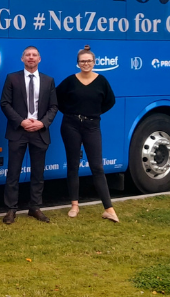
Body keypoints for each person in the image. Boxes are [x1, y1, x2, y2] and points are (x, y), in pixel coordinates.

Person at [55, 45, 119, 223]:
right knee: (73, 165)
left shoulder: (102, 81)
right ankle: (74, 205)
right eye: (82, 61)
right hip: (71, 125)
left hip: (92, 126)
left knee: (97, 166)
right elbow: (56, 98)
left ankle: (109, 209)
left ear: (94, 62)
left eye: (89, 61)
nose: (86, 64)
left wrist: (93, 113)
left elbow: (110, 101)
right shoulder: (70, 81)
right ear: (77, 63)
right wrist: (69, 112)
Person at [0, 46, 59, 224]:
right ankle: (11, 209)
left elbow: (53, 106)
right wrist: (21, 121)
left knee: (38, 173)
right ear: (22, 59)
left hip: (39, 132)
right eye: (28, 55)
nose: (31, 58)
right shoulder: (12, 78)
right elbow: (5, 104)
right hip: (18, 131)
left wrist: (43, 123)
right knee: (13, 172)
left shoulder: (48, 81)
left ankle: (35, 207)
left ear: (39, 59)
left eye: (34, 55)